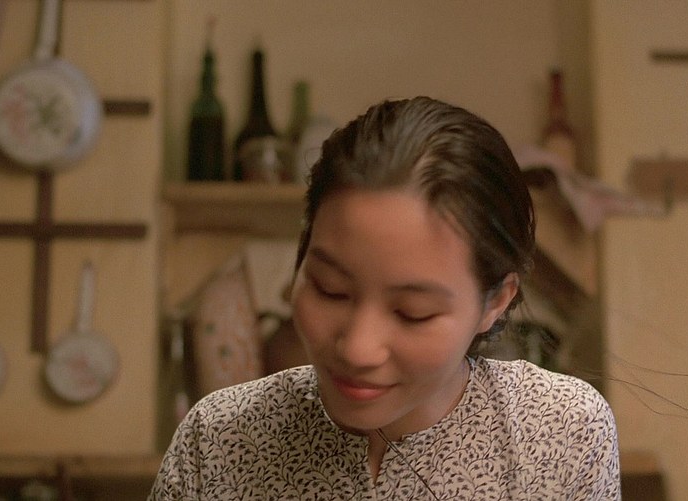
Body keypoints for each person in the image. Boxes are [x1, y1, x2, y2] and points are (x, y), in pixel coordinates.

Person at [149, 96, 620, 500]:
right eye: (330, 289)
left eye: (413, 313)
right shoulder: (218, 440)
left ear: (494, 302)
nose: (358, 349)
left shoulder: (560, 432)